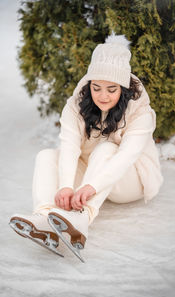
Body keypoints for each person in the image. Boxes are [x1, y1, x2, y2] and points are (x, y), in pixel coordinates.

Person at [9, 32, 164, 262]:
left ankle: (82, 218)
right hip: (91, 172)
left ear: (123, 87)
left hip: (130, 180)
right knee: (46, 155)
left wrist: (92, 186)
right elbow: (70, 146)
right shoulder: (76, 105)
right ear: (89, 83)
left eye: (111, 89)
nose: (103, 96)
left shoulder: (140, 110)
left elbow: (127, 156)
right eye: (96, 87)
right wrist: (64, 187)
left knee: (106, 148)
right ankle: (44, 220)